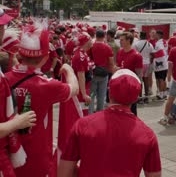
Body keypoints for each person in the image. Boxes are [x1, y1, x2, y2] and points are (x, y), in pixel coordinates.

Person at [6, 21, 79, 177]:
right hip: (36, 157)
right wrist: (69, 69)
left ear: (20, 54)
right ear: (45, 57)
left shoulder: (4, 79)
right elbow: (74, 89)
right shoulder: (47, 85)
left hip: (7, 152)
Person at [58, 69, 162, 177]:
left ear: (110, 92)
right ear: (135, 98)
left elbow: (63, 172)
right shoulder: (147, 135)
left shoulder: (83, 125)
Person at [116, 32, 143, 115]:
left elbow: (139, 73)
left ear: (129, 40)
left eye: (122, 40)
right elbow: (119, 66)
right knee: (121, 110)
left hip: (131, 86)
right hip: (121, 85)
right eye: (120, 40)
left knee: (132, 111)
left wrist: (138, 87)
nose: (120, 42)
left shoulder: (136, 55)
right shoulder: (120, 52)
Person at [89, 29, 115, 113]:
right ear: (104, 36)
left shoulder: (91, 46)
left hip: (93, 72)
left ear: (96, 36)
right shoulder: (107, 47)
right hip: (104, 72)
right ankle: (100, 111)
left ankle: (90, 111)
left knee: (92, 94)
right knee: (102, 94)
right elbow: (111, 62)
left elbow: (88, 59)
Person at [71, 33, 93, 116]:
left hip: (84, 87)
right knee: (83, 113)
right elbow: (81, 76)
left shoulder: (82, 52)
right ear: (86, 42)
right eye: (90, 40)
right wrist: (84, 94)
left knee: (84, 111)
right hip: (81, 90)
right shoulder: (81, 56)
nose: (92, 41)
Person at [133, 32, 155, 102]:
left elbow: (134, 54)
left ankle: (140, 97)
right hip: (147, 63)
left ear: (140, 36)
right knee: (146, 80)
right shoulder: (149, 44)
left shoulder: (136, 44)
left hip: (139, 64)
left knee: (139, 80)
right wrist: (150, 60)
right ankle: (147, 96)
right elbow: (153, 54)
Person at [152, 30, 169, 101]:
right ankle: (164, 93)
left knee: (160, 79)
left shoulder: (159, 43)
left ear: (159, 35)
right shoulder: (164, 41)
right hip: (164, 62)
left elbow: (161, 52)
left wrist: (152, 54)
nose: (154, 35)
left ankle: (161, 95)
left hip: (160, 64)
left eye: (155, 34)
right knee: (163, 79)